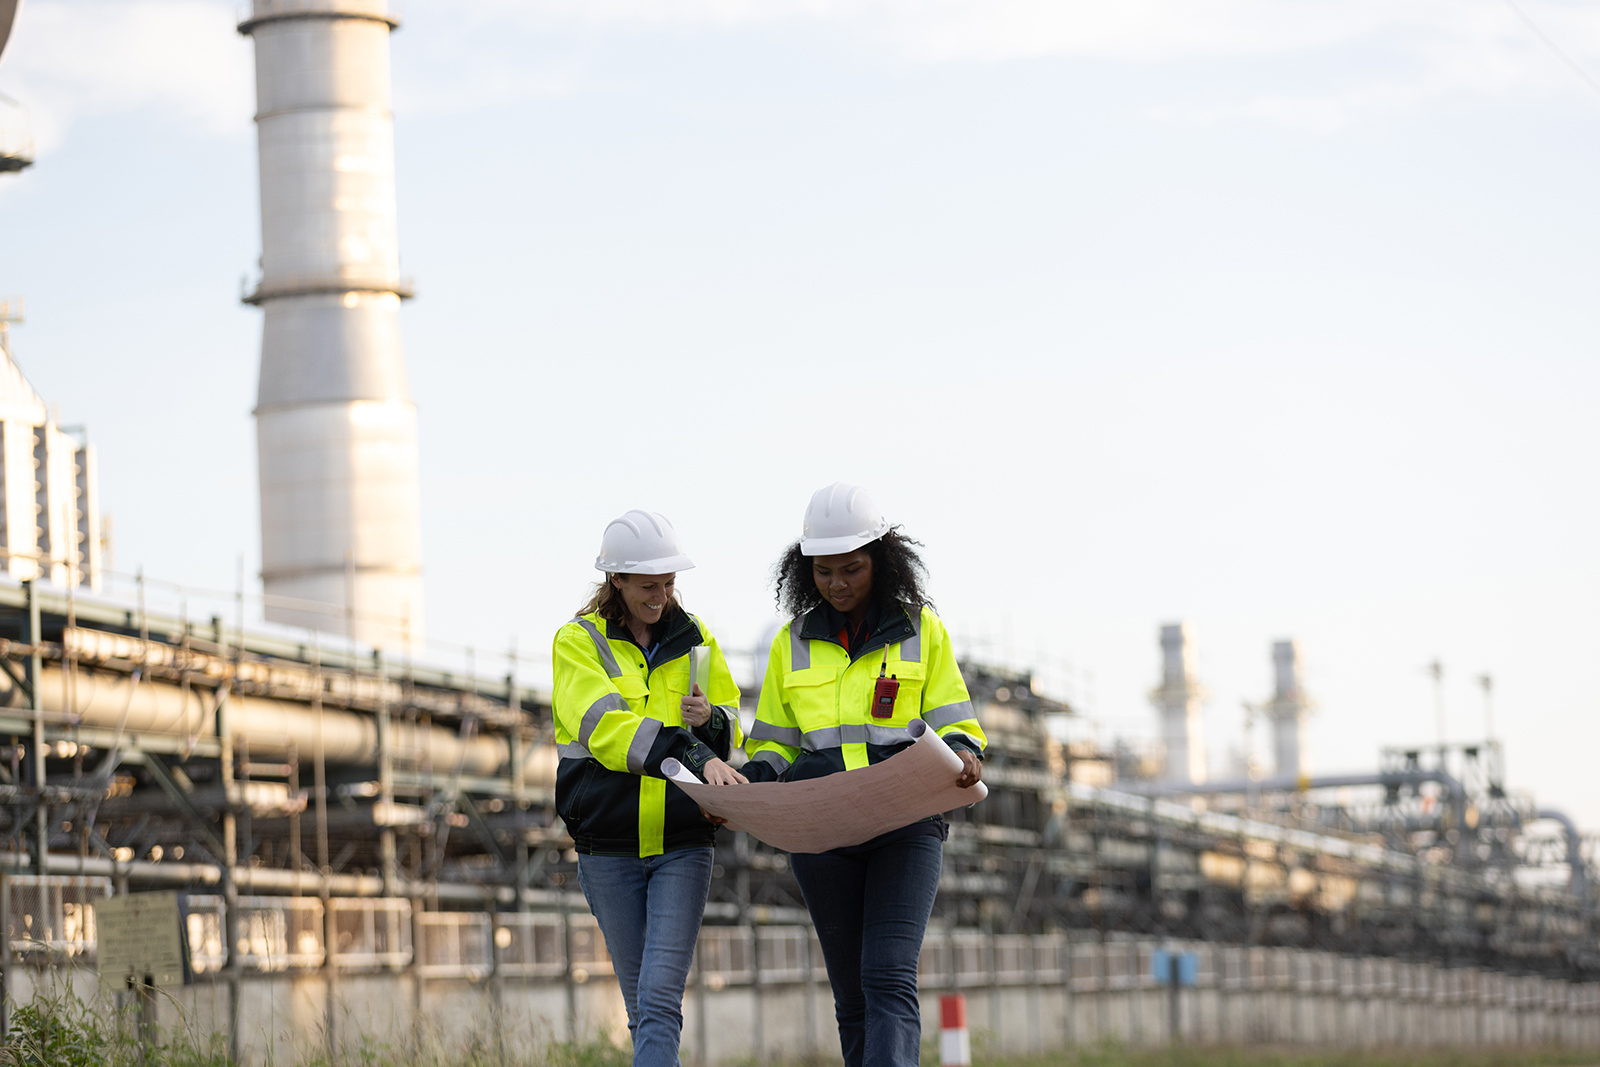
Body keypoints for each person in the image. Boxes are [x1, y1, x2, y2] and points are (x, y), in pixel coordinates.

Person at [742, 482, 986, 1067]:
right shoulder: (790, 642)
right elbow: (775, 741)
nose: (838, 583)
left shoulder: (922, 630)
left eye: (851, 568)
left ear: (881, 559)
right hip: (821, 830)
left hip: (905, 823)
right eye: (823, 572)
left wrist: (962, 749)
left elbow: (955, 717)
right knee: (852, 994)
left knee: (888, 976)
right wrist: (745, 783)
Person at [552, 509, 747, 1067]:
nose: (660, 596)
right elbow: (605, 728)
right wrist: (687, 748)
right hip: (608, 849)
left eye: (667, 584)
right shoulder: (578, 642)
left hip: (682, 843)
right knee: (642, 1006)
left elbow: (728, 729)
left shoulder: (697, 639)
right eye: (647, 586)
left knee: (660, 998)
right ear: (616, 580)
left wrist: (710, 721)